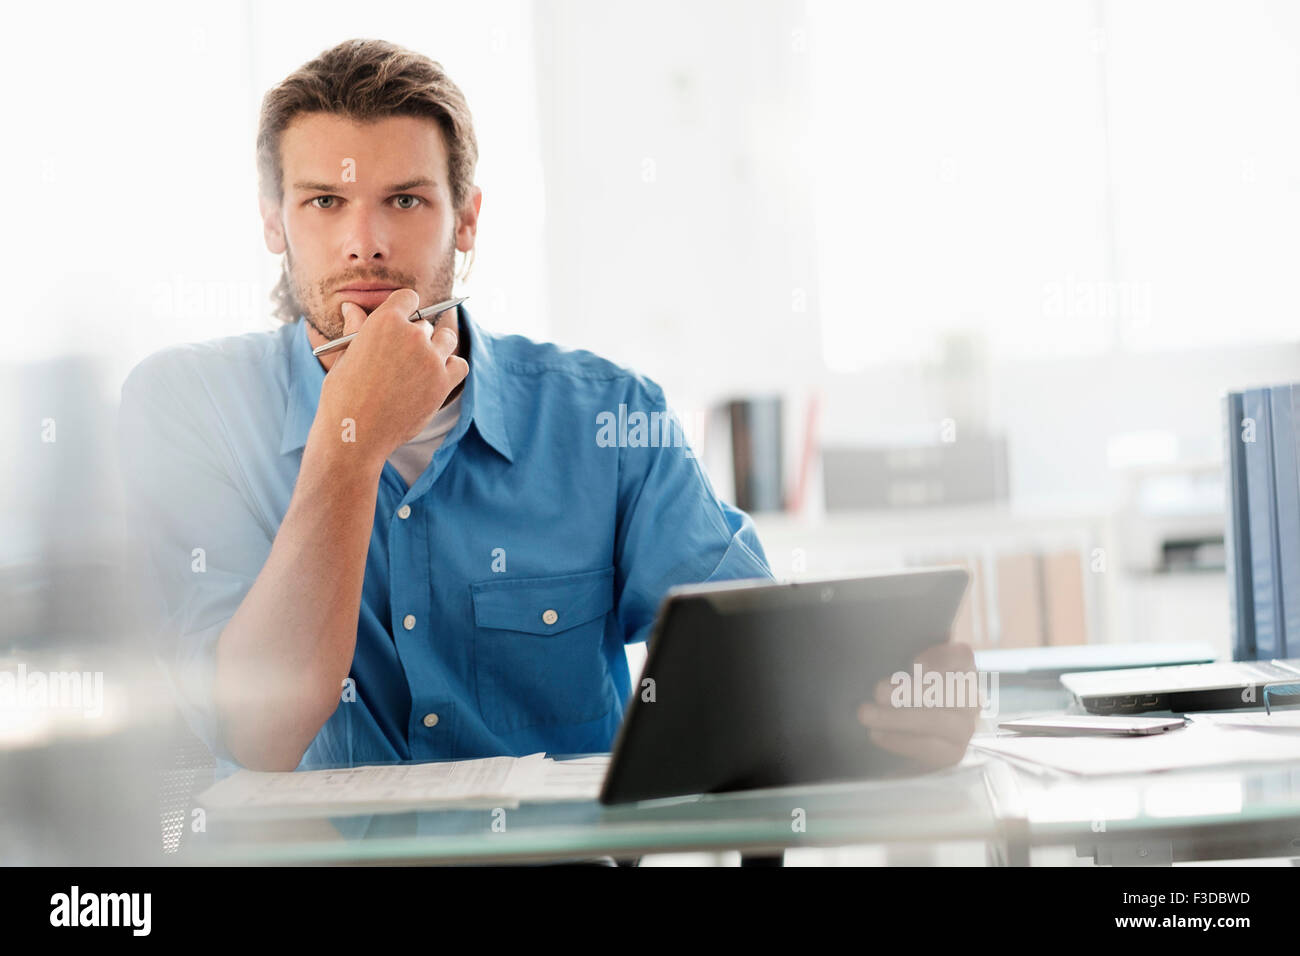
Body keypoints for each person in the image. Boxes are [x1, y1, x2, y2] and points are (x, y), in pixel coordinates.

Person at [117, 38, 976, 775]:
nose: (365, 241)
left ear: (467, 222)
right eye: (325, 202)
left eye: (406, 201)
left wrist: (890, 706)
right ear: (275, 222)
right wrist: (352, 436)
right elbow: (256, 729)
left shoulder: (606, 417)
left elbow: (756, 669)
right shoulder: (187, 409)